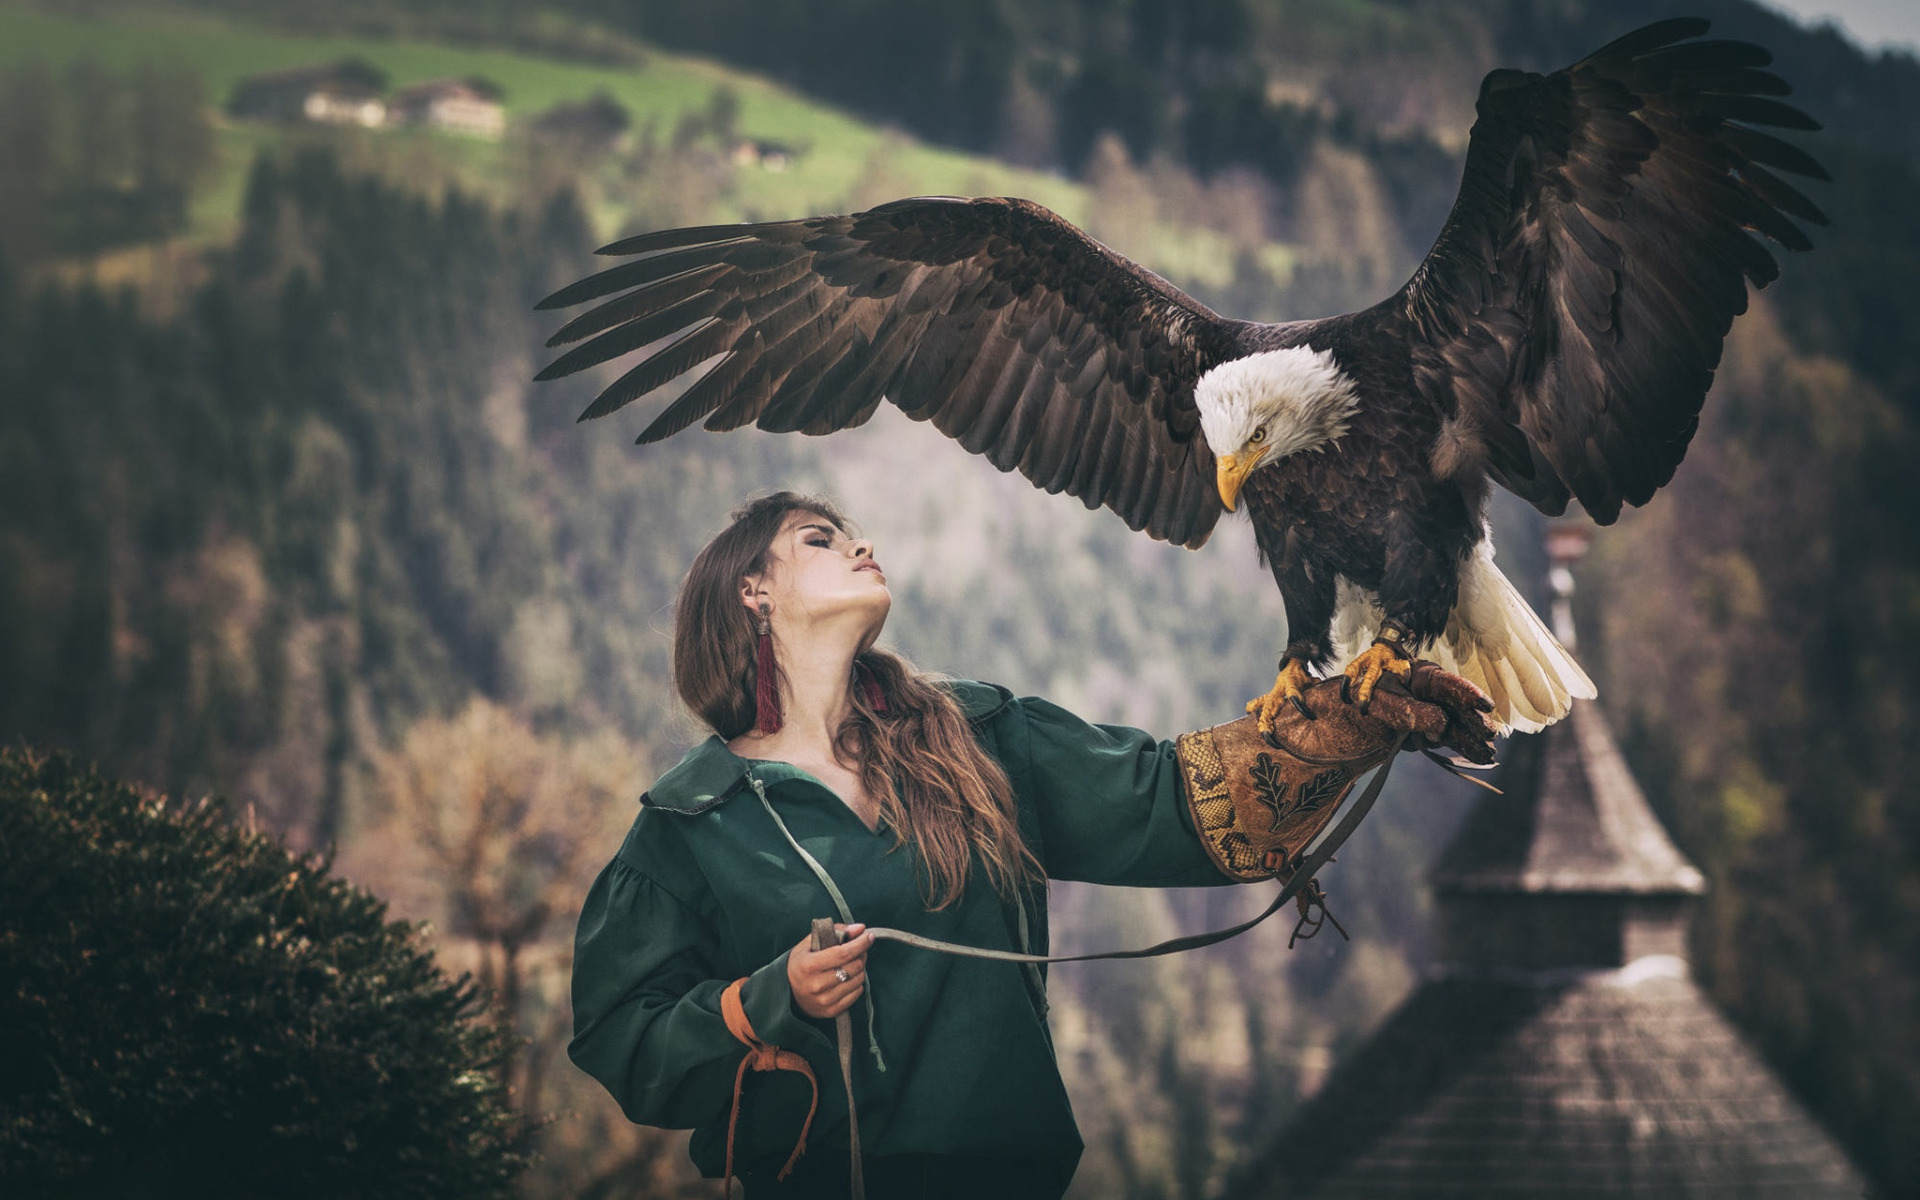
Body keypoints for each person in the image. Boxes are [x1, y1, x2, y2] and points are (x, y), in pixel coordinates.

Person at [568, 490, 1487, 1199]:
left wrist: (1326, 731)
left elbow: (1174, 803)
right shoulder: (692, 821)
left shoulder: (979, 733)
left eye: (850, 532)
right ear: (752, 591)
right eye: (819, 537)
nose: (859, 544)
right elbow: (624, 1042)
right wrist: (769, 999)